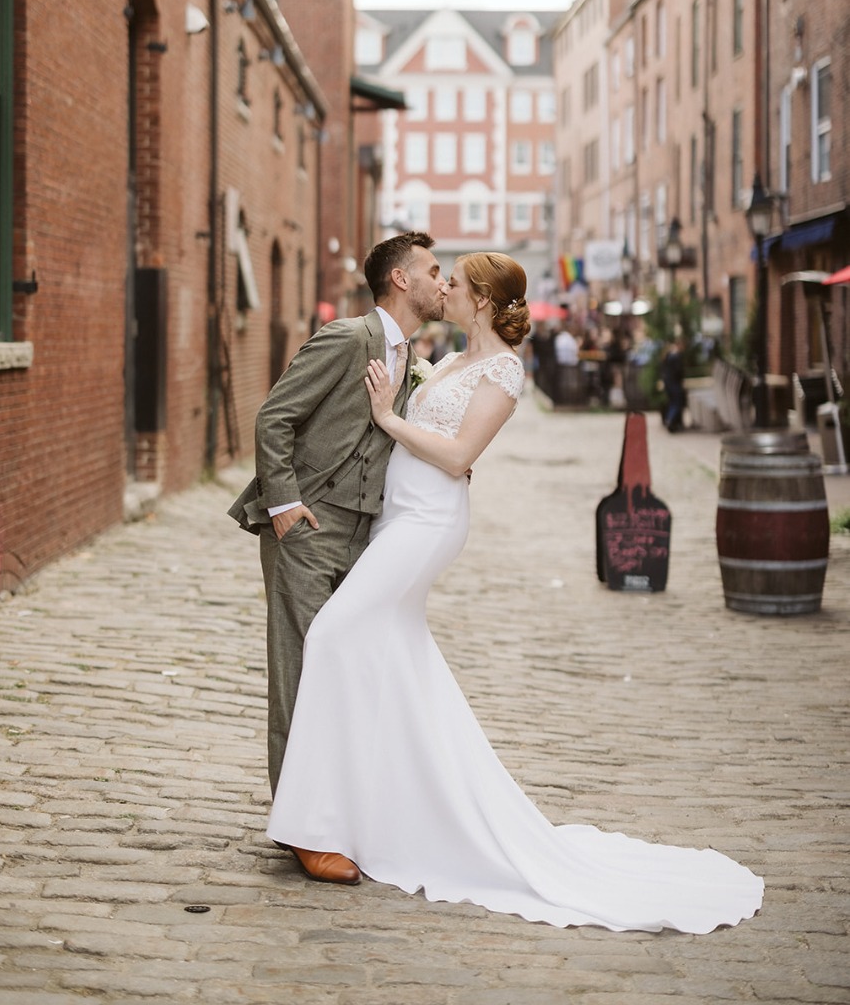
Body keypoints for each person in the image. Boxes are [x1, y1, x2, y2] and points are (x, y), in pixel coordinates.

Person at [265, 252, 764, 932]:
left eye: (456, 284)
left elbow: (457, 456)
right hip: (397, 520)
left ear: (480, 299)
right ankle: (371, 811)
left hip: (427, 526)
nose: (444, 289)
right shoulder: (446, 360)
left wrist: (388, 418)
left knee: (329, 636)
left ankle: (315, 820)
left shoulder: (503, 371)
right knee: (392, 663)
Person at [227, 231, 447, 884]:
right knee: (300, 673)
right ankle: (301, 829)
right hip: (309, 529)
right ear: (402, 280)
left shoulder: (413, 355)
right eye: (435, 270)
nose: (444, 282)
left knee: (350, 673)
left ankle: (341, 809)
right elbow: (275, 417)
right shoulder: (350, 338)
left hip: (365, 537)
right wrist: (285, 506)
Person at [662, 334, 687, 432]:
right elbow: (678, 371)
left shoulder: (668, 355)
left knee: (672, 402)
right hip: (674, 383)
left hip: (668, 383)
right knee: (676, 403)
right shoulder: (676, 357)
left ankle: (670, 419)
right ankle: (670, 420)